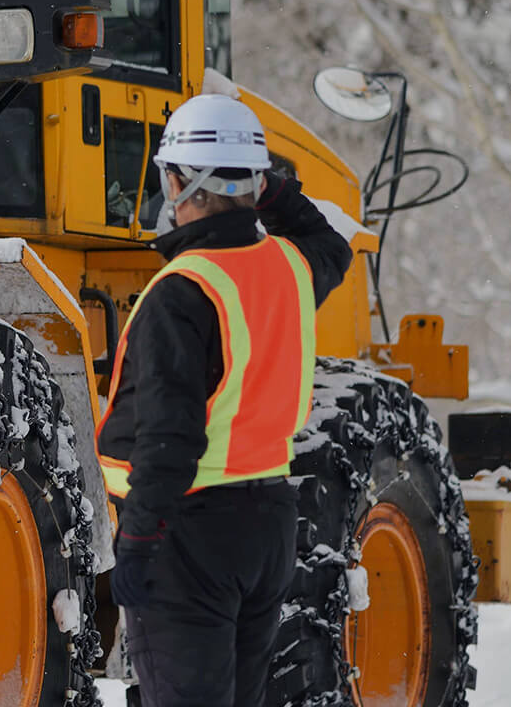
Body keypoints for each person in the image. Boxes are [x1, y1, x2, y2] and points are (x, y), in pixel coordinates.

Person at [95, 93, 353, 707]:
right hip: (265, 526)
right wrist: (268, 191)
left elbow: (170, 437)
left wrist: (136, 541)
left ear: (181, 182)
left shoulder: (183, 291)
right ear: (256, 183)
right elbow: (331, 245)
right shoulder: (289, 268)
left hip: (187, 533)